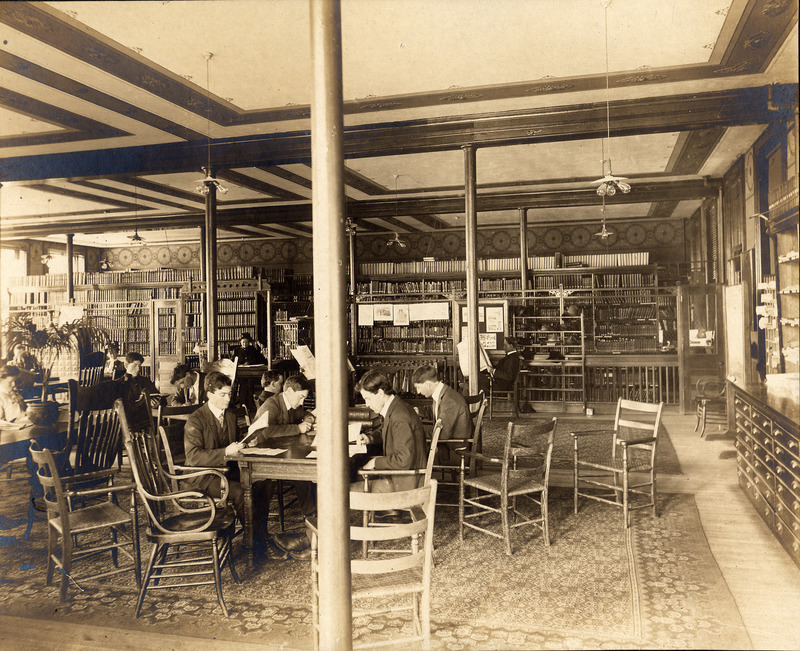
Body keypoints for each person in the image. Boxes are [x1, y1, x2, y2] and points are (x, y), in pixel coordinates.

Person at [183, 372, 291, 560]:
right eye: (223, 395)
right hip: (203, 476)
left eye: (229, 394)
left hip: (225, 470)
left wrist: (247, 443)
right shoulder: (196, 419)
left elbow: (233, 442)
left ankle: (261, 534)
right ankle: (256, 544)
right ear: (210, 394)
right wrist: (226, 452)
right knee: (241, 491)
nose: (228, 399)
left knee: (264, 482)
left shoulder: (230, 415)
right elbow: (193, 457)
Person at [250, 374, 316, 556]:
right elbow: (266, 431)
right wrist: (297, 428)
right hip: (262, 458)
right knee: (302, 473)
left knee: (304, 474)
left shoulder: (292, 404)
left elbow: (305, 414)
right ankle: (310, 520)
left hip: (281, 453)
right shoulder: (272, 404)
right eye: (301, 397)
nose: (302, 402)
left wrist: (308, 419)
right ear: (289, 391)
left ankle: (312, 522)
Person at [354, 369, 427, 493]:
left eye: (368, 398)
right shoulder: (396, 407)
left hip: (406, 485)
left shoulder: (400, 416)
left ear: (380, 393)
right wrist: (369, 438)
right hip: (402, 478)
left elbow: (404, 460)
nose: (367, 404)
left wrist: (375, 462)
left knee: (346, 491)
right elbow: (388, 430)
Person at [412, 364, 471, 465]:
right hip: (448, 444)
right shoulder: (444, 393)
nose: (418, 392)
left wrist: (415, 431)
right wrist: (418, 410)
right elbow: (437, 411)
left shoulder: (450, 400)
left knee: (411, 445)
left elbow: (441, 433)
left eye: (418, 387)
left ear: (428, 384)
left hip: (454, 452)